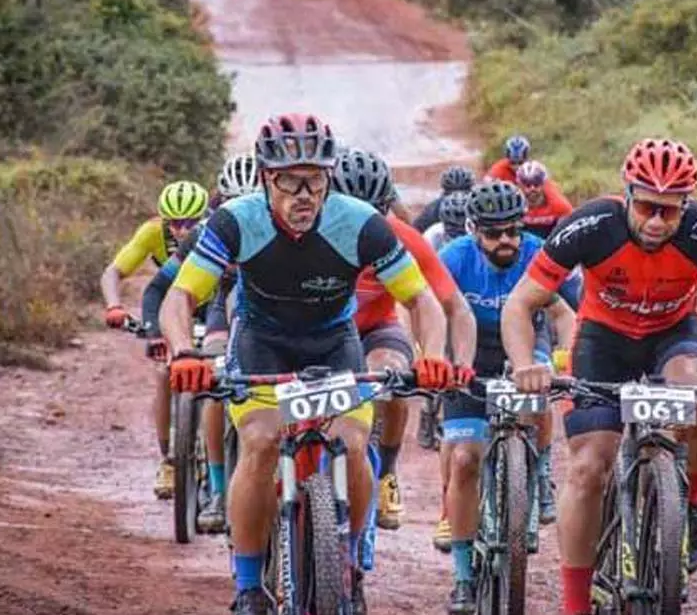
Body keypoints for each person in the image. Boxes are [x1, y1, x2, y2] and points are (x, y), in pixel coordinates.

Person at [160, 113, 471, 615]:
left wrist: (432, 356)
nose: (305, 195)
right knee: (260, 443)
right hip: (262, 341)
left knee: (352, 443)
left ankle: (345, 565)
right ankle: (247, 586)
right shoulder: (236, 221)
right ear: (265, 178)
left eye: (317, 179)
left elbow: (422, 301)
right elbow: (179, 298)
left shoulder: (361, 223)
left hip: (333, 342)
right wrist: (184, 352)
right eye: (291, 181)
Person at [499, 138, 697, 615]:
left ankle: (692, 500)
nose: (657, 221)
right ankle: (574, 605)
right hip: (602, 339)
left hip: (674, 334)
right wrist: (524, 365)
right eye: (646, 207)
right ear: (627, 194)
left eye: (670, 210)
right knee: (586, 468)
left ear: (687, 206)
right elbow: (521, 303)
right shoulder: (591, 225)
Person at [437, 181, 580, 613]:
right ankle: (463, 575)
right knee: (464, 460)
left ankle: (536, 475)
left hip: (525, 347)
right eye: (496, 233)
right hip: (470, 354)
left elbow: (565, 312)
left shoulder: (539, 252)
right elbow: (429, 307)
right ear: (473, 229)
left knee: (538, 396)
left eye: (514, 231)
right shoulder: (454, 257)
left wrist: (564, 359)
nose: (507, 241)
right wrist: (436, 363)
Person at [329, 147, 477, 531]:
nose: (362, 221)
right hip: (321, 335)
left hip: (377, 329)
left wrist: (451, 362)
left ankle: (387, 472)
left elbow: (453, 306)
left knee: (392, 379)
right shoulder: (308, 235)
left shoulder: (401, 237)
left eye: (375, 211)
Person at [138, 153, 260, 531]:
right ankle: (220, 490)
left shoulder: (292, 230)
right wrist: (158, 333)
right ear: (220, 201)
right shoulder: (205, 233)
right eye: (232, 204)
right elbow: (162, 287)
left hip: (273, 312)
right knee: (215, 374)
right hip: (225, 307)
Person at [99, 179, 209, 499]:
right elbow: (114, 272)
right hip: (173, 308)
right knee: (164, 373)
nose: (181, 230)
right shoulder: (152, 233)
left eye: (190, 223)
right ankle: (169, 461)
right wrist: (114, 306)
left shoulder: (217, 232)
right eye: (173, 223)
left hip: (211, 304)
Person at [514, 160, 574, 239]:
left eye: (536, 184)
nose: (532, 189)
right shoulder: (513, 204)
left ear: (543, 184)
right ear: (519, 186)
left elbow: (569, 234)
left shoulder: (560, 205)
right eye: (527, 185)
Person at [414, 165, 475, 232]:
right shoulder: (432, 209)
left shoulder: (432, 208)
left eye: (464, 193)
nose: (458, 197)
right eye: (451, 193)